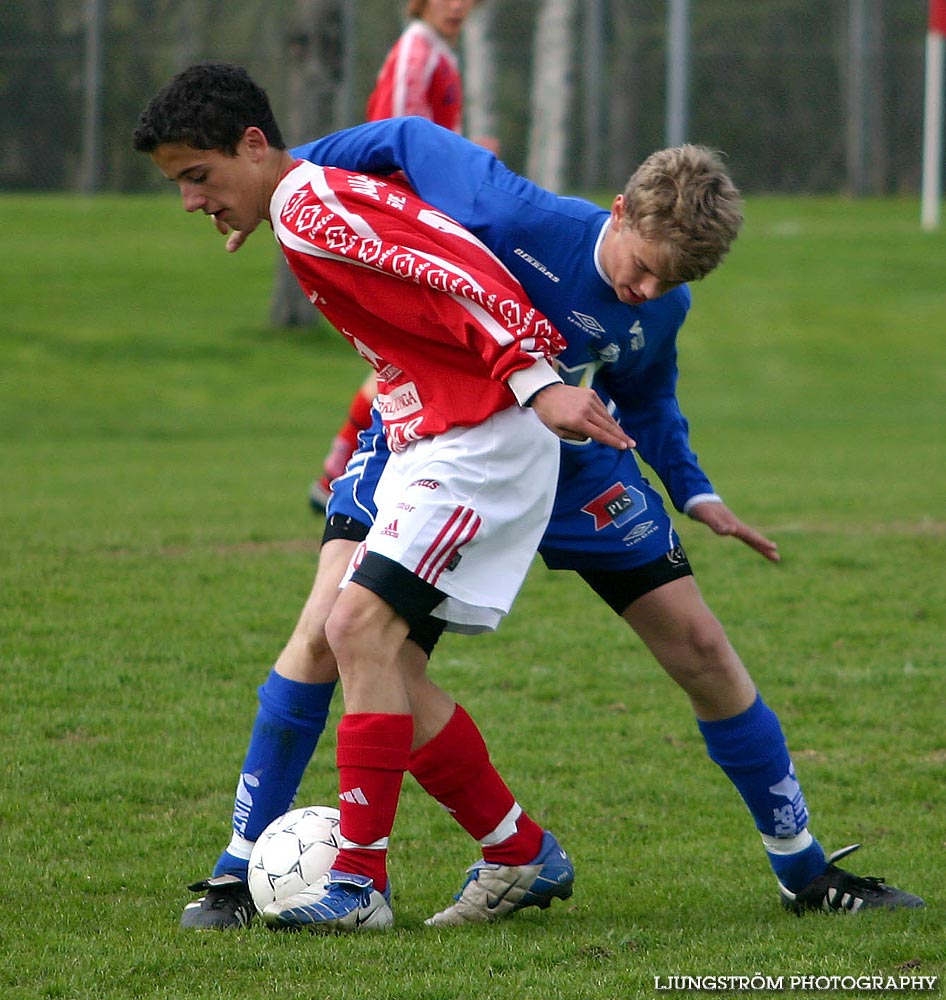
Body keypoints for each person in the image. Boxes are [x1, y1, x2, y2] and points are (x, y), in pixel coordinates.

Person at [197, 115, 925, 930]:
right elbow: (400, 138)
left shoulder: (661, 307)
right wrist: (270, 188)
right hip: (440, 439)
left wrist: (696, 493)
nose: (646, 292)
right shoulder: (508, 213)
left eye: (673, 282)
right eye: (645, 268)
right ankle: (241, 872)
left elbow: (648, 400)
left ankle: (804, 870)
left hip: (577, 463)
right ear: (618, 211)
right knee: (337, 637)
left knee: (702, 647)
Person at [133, 62, 633, 933]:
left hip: (479, 433)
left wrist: (533, 378)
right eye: (181, 185)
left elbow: (454, 265)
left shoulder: (310, 206)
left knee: (353, 628)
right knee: (386, 663)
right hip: (431, 433)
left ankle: (359, 883)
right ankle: (517, 850)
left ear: (255, 147)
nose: (191, 203)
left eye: (199, 178)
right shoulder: (303, 201)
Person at [309, 0, 498, 513]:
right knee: (406, 355)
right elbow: (399, 139)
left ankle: (342, 472)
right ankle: (349, 474)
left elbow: (429, 143)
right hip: (396, 223)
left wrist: (468, 153)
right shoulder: (418, 50)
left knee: (401, 355)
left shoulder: (435, 51)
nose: (457, 5)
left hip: (407, 219)